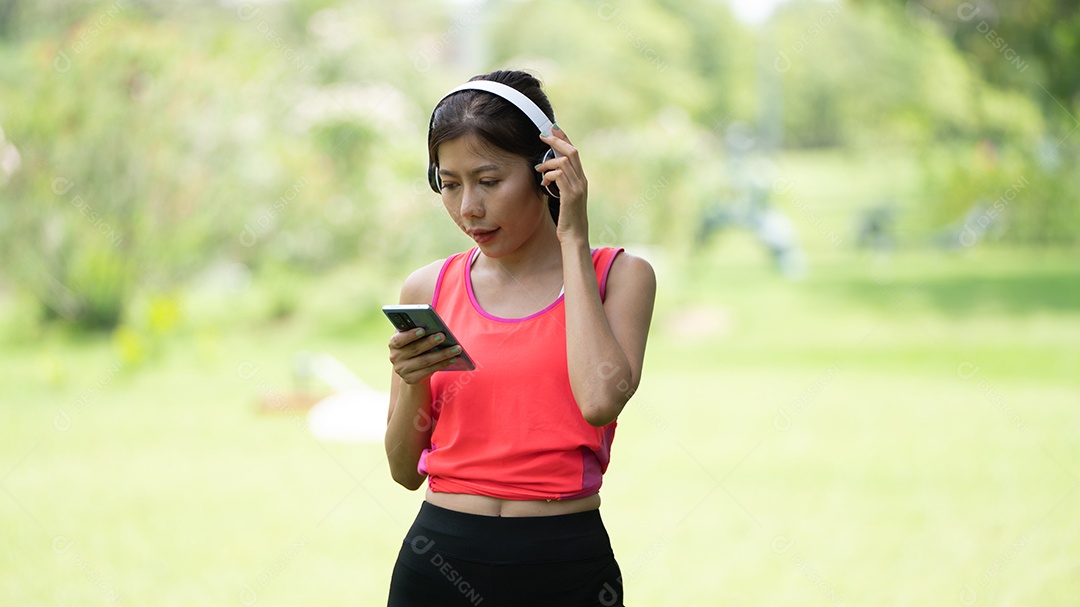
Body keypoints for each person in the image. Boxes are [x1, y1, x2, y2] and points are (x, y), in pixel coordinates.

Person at [384, 69, 656, 607]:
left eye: (488, 181)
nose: (469, 209)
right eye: (450, 183)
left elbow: (600, 401)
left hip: (562, 564)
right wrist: (412, 382)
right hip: (438, 557)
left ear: (546, 173)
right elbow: (401, 471)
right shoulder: (429, 287)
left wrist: (572, 237)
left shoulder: (620, 277)